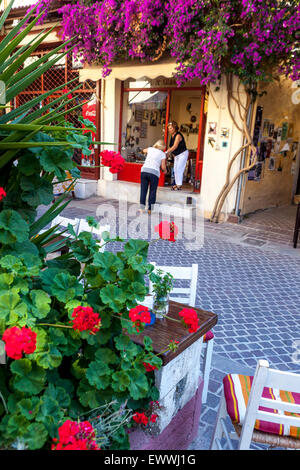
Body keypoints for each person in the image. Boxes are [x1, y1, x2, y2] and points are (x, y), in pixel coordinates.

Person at [140, 139, 167, 214]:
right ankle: (150, 209)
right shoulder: (162, 154)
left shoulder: (150, 149)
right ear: (163, 147)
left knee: (143, 190)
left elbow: (143, 150)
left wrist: (143, 152)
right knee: (152, 191)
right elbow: (163, 166)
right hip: (154, 173)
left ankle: (142, 209)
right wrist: (165, 171)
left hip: (144, 171)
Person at [166, 121, 189, 190]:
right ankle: (177, 184)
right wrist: (169, 153)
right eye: (169, 128)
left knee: (179, 169)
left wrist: (166, 152)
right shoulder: (172, 136)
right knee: (175, 169)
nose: (169, 130)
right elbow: (171, 147)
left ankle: (179, 185)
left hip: (182, 154)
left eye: (170, 128)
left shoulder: (178, 135)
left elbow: (175, 146)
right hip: (177, 155)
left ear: (175, 128)